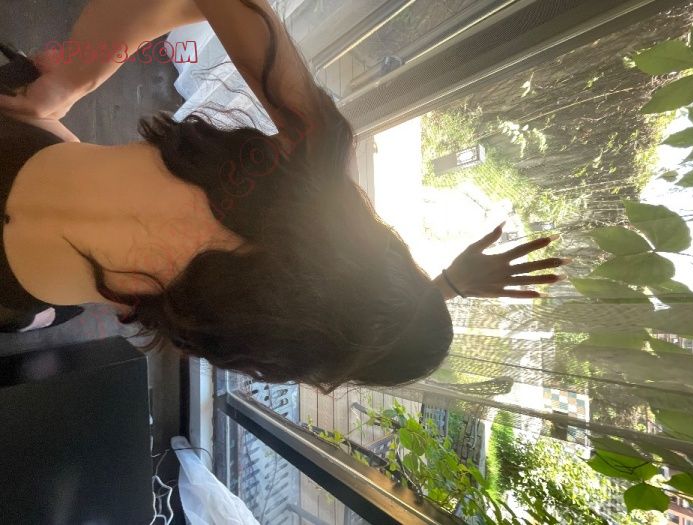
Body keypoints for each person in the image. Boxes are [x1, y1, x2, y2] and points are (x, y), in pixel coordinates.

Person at [0, 0, 567, 393]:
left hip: (18, 147)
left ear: (394, 263)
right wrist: (443, 289)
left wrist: (73, 79)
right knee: (64, 309)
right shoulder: (243, 329)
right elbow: (359, 325)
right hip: (12, 285)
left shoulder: (311, 154)